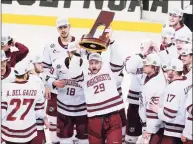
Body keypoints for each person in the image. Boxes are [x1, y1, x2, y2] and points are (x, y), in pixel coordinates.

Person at [68, 41, 124, 144]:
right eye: (91, 63)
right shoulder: (84, 76)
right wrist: (77, 53)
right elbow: (73, 73)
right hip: (94, 119)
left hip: (113, 116)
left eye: (96, 63)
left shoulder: (109, 70)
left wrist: (112, 43)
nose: (94, 65)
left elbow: (118, 62)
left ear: (101, 63)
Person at [43, 16, 75, 144]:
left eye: (65, 27)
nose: (63, 30)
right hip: (56, 92)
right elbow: (45, 68)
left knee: (73, 122)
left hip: (74, 92)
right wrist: (48, 84)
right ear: (57, 29)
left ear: (69, 27)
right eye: (60, 28)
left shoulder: (78, 43)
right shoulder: (50, 46)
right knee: (53, 122)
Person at [46, 55, 88, 144]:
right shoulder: (58, 63)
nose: (73, 55)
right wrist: (53, 82)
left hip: (82, 109)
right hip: (63, 108)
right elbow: (47, 78)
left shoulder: (87, 64)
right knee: (64, 137)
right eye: (71, 52)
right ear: (68, 52)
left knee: (84, 138)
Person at [1, 61, 45, 144]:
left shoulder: (5, 87)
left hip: (8, 132)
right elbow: (39, 113)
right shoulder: (35, 87)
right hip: (28, 132)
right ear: (25, 74)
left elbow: (2, 112)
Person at [149, 58, 190, 144]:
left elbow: (169, 115)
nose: (167, 73)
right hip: (185, 129)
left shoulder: (173, 87)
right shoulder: (188, 81)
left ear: (174, 72)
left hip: (173, 132)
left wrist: (157, 109)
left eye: (168, 70)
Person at [124, 39, 155, 143]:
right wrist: (143, 53)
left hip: (150, 104)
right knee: (131, 136)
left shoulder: (155, 61)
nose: (147, 51)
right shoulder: (134, 58)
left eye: (150, 49)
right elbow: (129, 68)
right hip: (135, 102)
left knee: (149, 137)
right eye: (144, 48)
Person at [139, 54, 167, 144]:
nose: (144, 67)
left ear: (154, 68)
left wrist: (150, 129)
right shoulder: (147, 77)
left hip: (155, 127)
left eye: (147, 65)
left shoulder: (158, 84)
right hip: (147, 123)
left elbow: (153, 108)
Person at [28, 56, 50, 144]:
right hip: (35, 122)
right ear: (32, 65)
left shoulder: (36, 79)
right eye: (39, 63)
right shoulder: (34, 80)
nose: (42, 65)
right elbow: (36, 103)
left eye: (42, 63)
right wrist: (44, 118)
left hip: (33, 121)